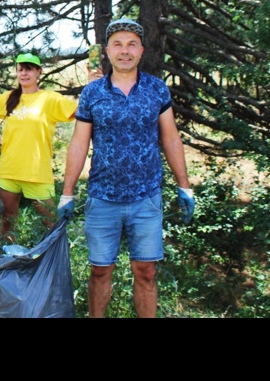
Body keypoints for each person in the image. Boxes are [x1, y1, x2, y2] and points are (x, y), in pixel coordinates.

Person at [59, 18, 194, 318]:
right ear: (107, 50)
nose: (125, 51)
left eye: (131, 44)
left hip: (145, 197)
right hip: (102, 197)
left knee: (145, 271)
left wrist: (184, 185)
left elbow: (171, 138)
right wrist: (67, 193)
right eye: (118, 44)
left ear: (141, 51)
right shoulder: (92, 93)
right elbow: (79, 144)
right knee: (99, 271)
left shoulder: (157, 90)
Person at [0, 53, 78, 242]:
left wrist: (95, 83)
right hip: (9, 172)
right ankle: (8, 259)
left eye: (28, 69)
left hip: (37, 173)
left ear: (38, 72)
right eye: (20, 70)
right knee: (8, 221)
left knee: (49, 222)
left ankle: (51, 263)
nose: (24, 74)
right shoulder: (10, 98)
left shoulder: (49, 99)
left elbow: (79, 110)